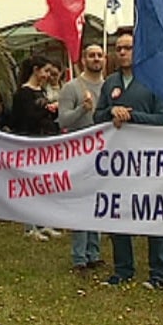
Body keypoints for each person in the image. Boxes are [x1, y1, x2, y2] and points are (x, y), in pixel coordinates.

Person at [93, 30, 163, 290]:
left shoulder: (155, 82)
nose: (123, 52)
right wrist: (110, 112)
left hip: (148, 161)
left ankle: (158, 273)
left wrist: (132, 116)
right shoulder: (110, 82)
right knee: (118, 214)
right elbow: (98, 117)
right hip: (117, 161)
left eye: (128, 47)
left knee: (152, 216)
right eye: (119, 48)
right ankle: (123, 269)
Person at [57, 44, 107, 275]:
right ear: (83, 59)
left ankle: (94, 253)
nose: (96, 59)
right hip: (78, 154)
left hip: (104, 155)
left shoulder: (108, 87)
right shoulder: (71, 88)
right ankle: (79, 257)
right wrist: (82, 110)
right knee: (81, 203)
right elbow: (63, 121)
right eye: (91, 55)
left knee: (98, 203)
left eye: (99, 55)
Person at [11, 55, 62, 241]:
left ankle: (45, 222)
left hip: (45, 140)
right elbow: (24, 119)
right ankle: (30, 226)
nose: (48, 75)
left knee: (45, 184)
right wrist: (47, 110)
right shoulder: (23, 94)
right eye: (46, 71)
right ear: (36, 70)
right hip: (29, 143)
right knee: (30, 186)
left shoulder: (42, 91)